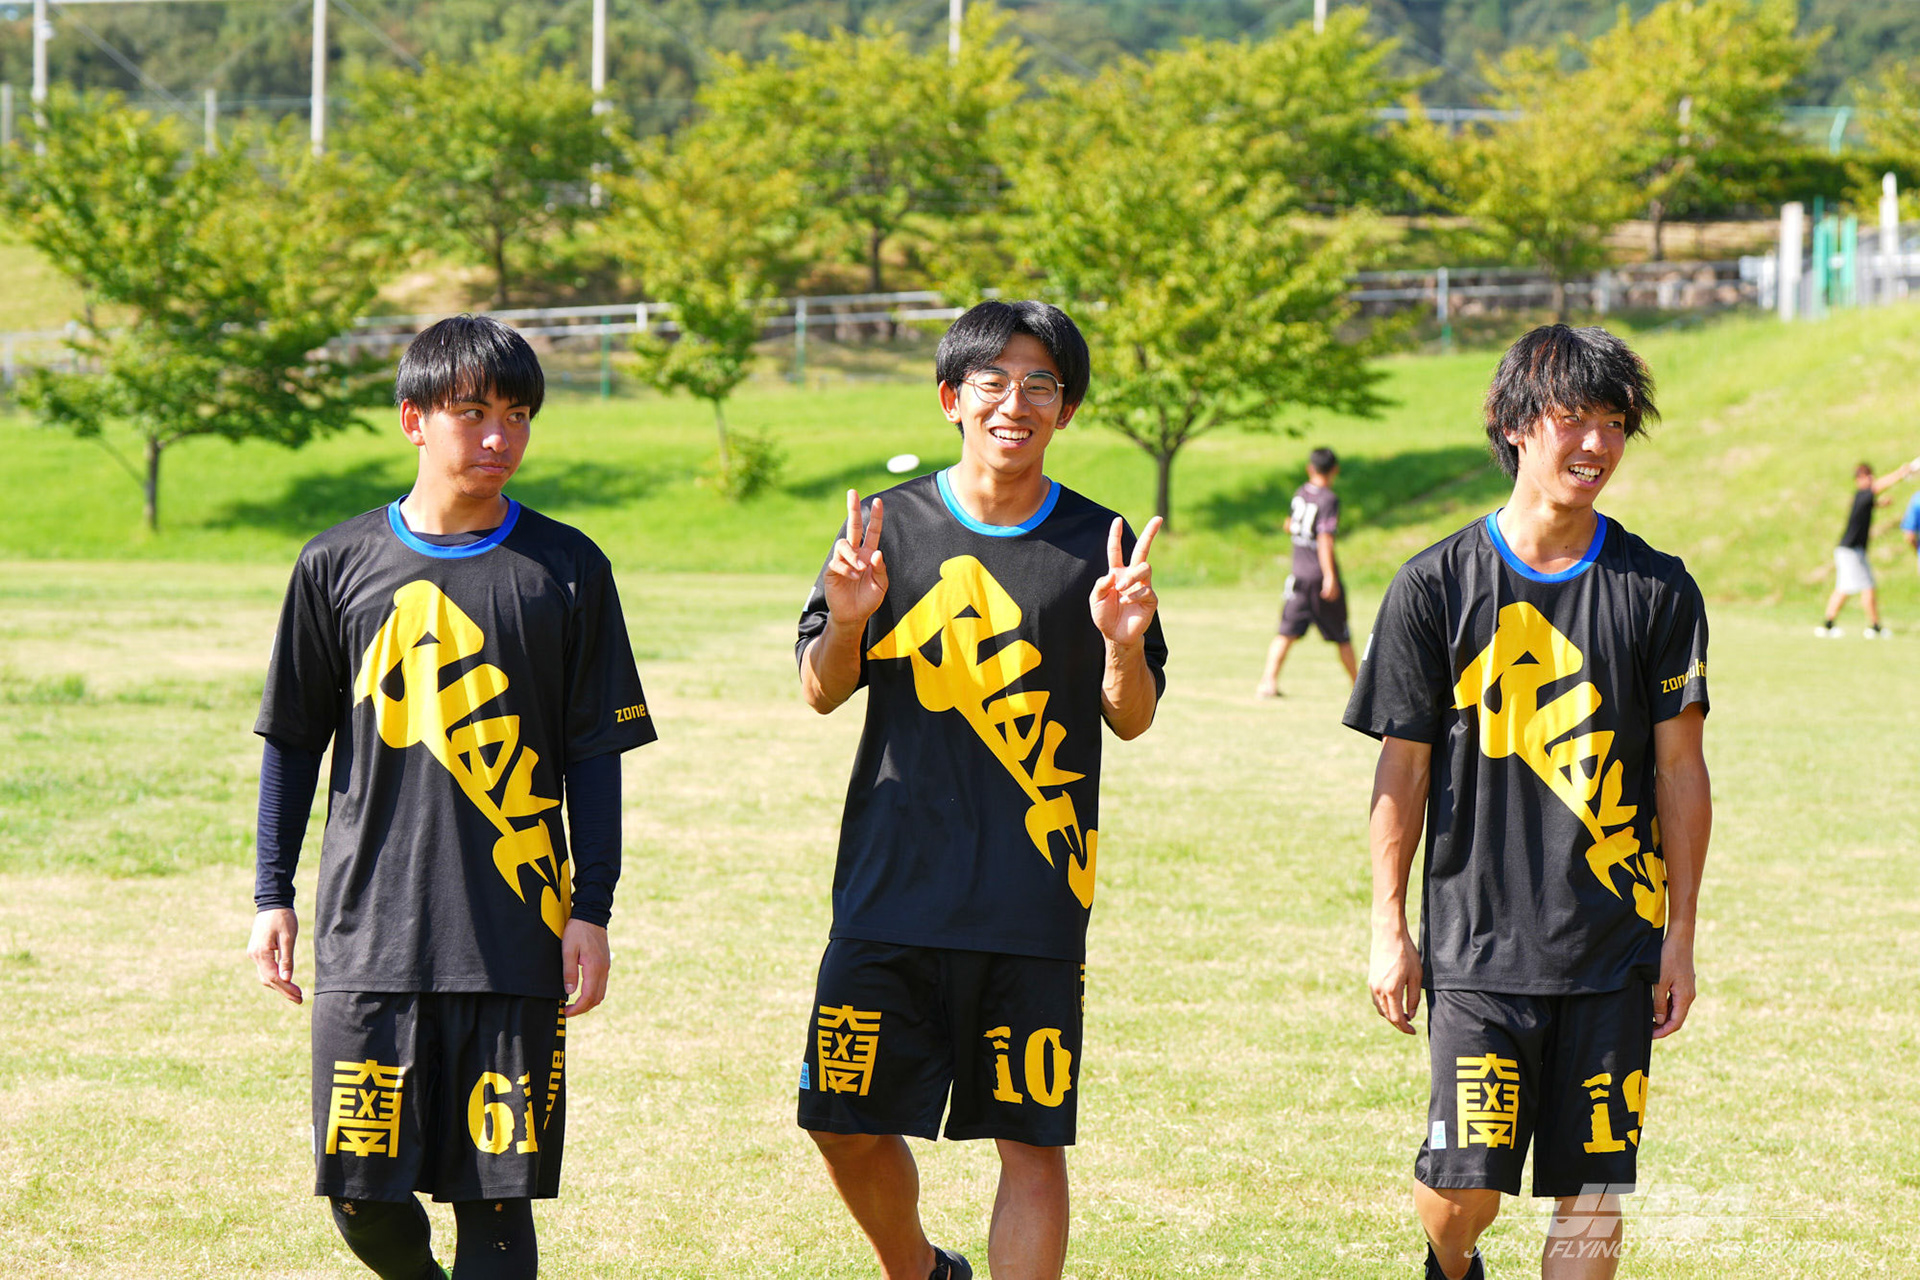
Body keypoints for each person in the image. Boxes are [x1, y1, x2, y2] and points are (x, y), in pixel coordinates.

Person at [246, 314, 657, 1280]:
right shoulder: (335, 563)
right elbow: (294, 741)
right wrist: (271, 893)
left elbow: (595, 757)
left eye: (517, 415)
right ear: (413, 420)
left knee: (496, 1207)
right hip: (369, 934)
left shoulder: (568, 568)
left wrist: (592, 910)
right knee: (361, 1197)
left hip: (513, 935)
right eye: (471, 413)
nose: (497, 437)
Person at [793, 299, 1168, 1280]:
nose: (1016, 402)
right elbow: (820, 690)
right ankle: (919, 1269)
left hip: (1033, 895)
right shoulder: (887, 528)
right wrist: (849, 618)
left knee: (1031, 1142)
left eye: (1041, 383)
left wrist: (1122, 644)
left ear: (1066, 409)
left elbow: (1132, 716)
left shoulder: (1098, 541)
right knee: (838, 1118)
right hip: (891, 886)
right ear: (951, 398)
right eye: (993, 381)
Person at [1343, 325, 1712, 1280]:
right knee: (1461, 1194)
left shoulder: (1658, 589)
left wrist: (1680, 934)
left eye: (1615, 422)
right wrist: (1389, 927)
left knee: (1592, 1191)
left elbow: (1681, 771)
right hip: (1478, 946)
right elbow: (1401, 770)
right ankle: (1451, 1264)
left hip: (1614, 945)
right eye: (1572, 418)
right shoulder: (1434, 585)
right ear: (1514, 424)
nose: (1596, 443)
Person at [1256, 446, 1357, 697]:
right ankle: (1359, 689)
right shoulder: (1328, 499)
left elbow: (1288, 524)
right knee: (1342, 635)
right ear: (1335, 470)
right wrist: (1330, 576)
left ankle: (1267, 682)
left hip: (1298, 575)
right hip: (1319, 577)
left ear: (1310, 468)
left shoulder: (1300, 493)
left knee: (1286, 632)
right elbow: (1325, 538)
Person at [1817, 457, 1920, 638]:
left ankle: (1828, 624)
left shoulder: (1862, 498)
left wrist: (1880, 504)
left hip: (1850, 550)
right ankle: (1874, 627)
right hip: (1851, 550)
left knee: (1844, 587)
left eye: (1871, 475)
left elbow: (1870, 502)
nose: (1871, 478)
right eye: (1866, 475)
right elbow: (1878, 487)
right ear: (1859, 479)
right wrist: (1901, 473)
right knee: (1867, 586)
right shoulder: (1863, 494)